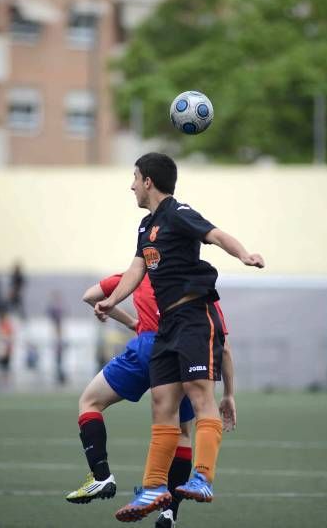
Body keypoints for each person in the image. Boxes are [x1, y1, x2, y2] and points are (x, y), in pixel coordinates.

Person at [94, 152, 263, 522]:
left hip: (194, 318)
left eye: (135, 178)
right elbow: (136, 270)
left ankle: (203, 477)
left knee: (200, 395)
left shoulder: (178, 212)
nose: (132, 185)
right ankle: (154, 487)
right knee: (162, 405)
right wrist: (110, 301)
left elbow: (215, 235)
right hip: (167, 325)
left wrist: (244, 255)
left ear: (149, 181)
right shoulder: (145, 227)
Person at [66, 272, 236, 528]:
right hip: (182, 351)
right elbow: (223, 345)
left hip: (146, 347)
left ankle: (101, 475)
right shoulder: (195, 284)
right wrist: (229, 394)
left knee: (90, 401)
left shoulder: (134, 275)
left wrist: (131, 322)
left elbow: (90, 296)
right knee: (181, 430)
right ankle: (170, 512)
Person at [47, 290, 67, 385]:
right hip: (57, 341)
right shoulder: (55, 309)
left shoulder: (59, 309)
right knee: (58, 362)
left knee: (60, 362)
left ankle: (60, 377)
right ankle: (59, 377)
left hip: (59, 342)